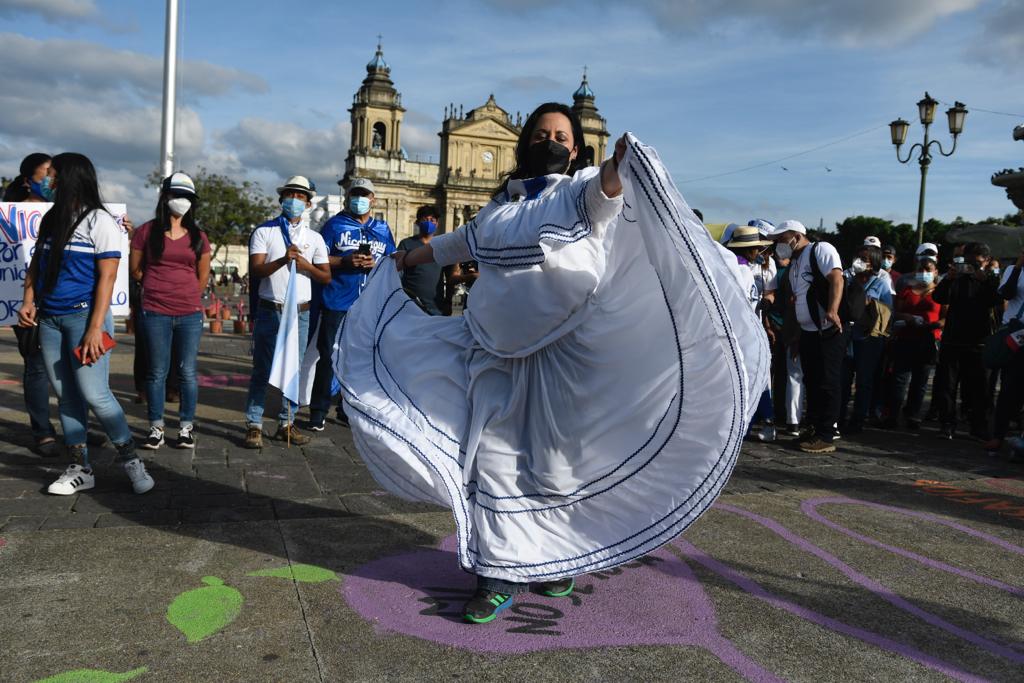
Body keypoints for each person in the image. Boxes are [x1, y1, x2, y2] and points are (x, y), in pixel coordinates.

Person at [336, 103, 768, 624]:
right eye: (541, 133)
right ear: (525, 145)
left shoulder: (576, 191)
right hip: (492, 353)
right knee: (494, 458)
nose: (551, 140)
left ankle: (549, 557)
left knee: (557, 465)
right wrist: (404, 259)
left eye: (561, 134)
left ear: (577, 147)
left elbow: (603, 191)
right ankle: (496, 574)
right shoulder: (501, 210)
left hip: (566, 355)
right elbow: (456, 244)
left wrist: (620, 163)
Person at [17, 152, 154, 495]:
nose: (48, 181)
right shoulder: (52, 221)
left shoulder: (100, 222)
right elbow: (36, 265)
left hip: (84, 318)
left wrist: (96, 328)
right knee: (66, 397)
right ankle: (80, 468)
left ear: (70, 178)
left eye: (53, 175)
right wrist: (29, 301)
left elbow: (107, 279)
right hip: (50, 320)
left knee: (96, 394)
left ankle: (132, 461)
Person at [244, 176, 331, 448]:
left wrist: (304, 264)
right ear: (282, 199)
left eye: (300, 196)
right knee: (262, 368)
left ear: (308, 203)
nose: (294, 200)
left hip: (300, 311)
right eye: (290, 195)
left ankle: (286, 422)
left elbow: (325, 277)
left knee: (294, 369)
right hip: (272, 308)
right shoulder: (264, 232)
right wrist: (282, 259)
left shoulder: (314, 237)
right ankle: (254, 423)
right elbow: (257, 270)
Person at [129, 172, 211, 450]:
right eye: (177, 195)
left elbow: (202, 276)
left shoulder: (199, 236)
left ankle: (186, 427)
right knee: (156, 372)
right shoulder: (146, 232)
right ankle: (156, 426)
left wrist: (186, 293)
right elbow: (136, 269)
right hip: (154, 311)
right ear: (164, 197)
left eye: (187, 197)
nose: (181, 201)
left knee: (187, 372)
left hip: (189, 313)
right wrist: (156, 286)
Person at [308, 177, 395, 431]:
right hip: (336, 301)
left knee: (360, 359)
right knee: (329, 357)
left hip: (368, 304)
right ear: (347, 198)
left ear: (373, 199)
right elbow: (319, 258)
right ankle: (318, 410)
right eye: (355, 194)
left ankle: (349, 408)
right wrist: (346, 262)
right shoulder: (334, 225)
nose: (360, 199)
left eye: (364, 194)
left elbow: (389, 259)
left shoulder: (382, 228)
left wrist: (374, 263)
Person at [766, 219, 846, 454]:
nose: (779, 244)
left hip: (828, 329)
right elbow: (795, 301)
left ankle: (826, 434)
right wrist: (795, 336)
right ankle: (812, 428)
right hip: (809, 332)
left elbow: (836, 278)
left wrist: (832, 310)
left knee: (828, 382)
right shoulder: (795, 263)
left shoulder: (821, 250)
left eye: (781, 239)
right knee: (812, 380)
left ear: (796, 235)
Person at [5, 153, 59, 455]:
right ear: (28, 180)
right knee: (37, 366)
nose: (51, 180)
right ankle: (42, 432)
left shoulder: (63, 213)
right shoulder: (8, 216)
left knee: (70, 367)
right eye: (45, 174)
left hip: (61, 300)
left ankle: (73, 425)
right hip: (24, 304)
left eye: (54, 173)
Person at [932, 242, 1000, 440]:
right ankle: (947, 423)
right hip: (953, 339)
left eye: (977, 263)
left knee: (980, 388)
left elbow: (996, 300)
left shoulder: (992, 280)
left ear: (986, 262)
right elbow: (939, 297)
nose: (971, 266)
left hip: (979, 341)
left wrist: (985, 280)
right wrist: (949, 279)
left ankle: (978, 425)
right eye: (968, 261)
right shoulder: (957, 277)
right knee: (947, 385)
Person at [726, 225, 776, 440]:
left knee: (754, 378)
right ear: (748, 250)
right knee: (753, 378)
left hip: (747, 331)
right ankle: (757, 421)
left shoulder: (736, 268)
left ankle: (757, 421)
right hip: (743, 332)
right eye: (756, 248)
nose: (759, 252)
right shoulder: (739, 270)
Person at [886, 247, 943, 430]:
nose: (924, 273)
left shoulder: (941, 293)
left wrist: (932, 325)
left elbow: (945, 317)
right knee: (899, 379)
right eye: (921, 270)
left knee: (920, 381)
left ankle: (912, 415)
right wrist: (908, 318)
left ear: (936, 272)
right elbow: (896, 312)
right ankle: (893, 415)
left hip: (928, 340)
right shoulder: (907, 290)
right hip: (905, 338)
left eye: (928, 270)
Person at [839, 245, 893, 433]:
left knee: (864, 381)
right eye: (858, 257)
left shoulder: (881, 284)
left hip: (869, 339)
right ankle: (839, 417)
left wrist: (868, 303)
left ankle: (858, 419)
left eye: (865, 259)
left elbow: (887, 312)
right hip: (846, 336)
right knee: (843, 379)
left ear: (874, 263)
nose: (859, 262)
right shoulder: (846, 279)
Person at [397, 206, 444, 315]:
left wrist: (447, 302)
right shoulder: (406, 244)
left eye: (432, 220)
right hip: (410, 304)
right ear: (417, 222)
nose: (429, 223)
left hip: (436, 306)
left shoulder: (442, 245)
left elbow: (449, 274)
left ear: (437, 223)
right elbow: (397, 272)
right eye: (425, 219)